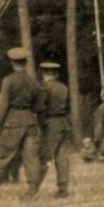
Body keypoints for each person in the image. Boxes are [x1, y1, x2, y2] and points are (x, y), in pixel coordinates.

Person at [0, 47, 44, 201]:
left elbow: (3, 105)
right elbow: (39, 107)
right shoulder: (34, 82)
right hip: (30, 122)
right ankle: (32, 190)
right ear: (25, 63)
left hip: (13, 122)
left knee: (2, 155)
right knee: (31, 157)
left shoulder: (8, 81)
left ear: (12, 63)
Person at [38, 61, 71, 198]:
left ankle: (34, 187)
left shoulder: (44, 88)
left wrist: (41, 125)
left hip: (51, 125)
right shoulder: (64, 88)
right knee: (62, 158)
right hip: (64, 123)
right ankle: (63, 189)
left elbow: (41, 108)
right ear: (56, 74)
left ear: (44, 74)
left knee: (45, 157)